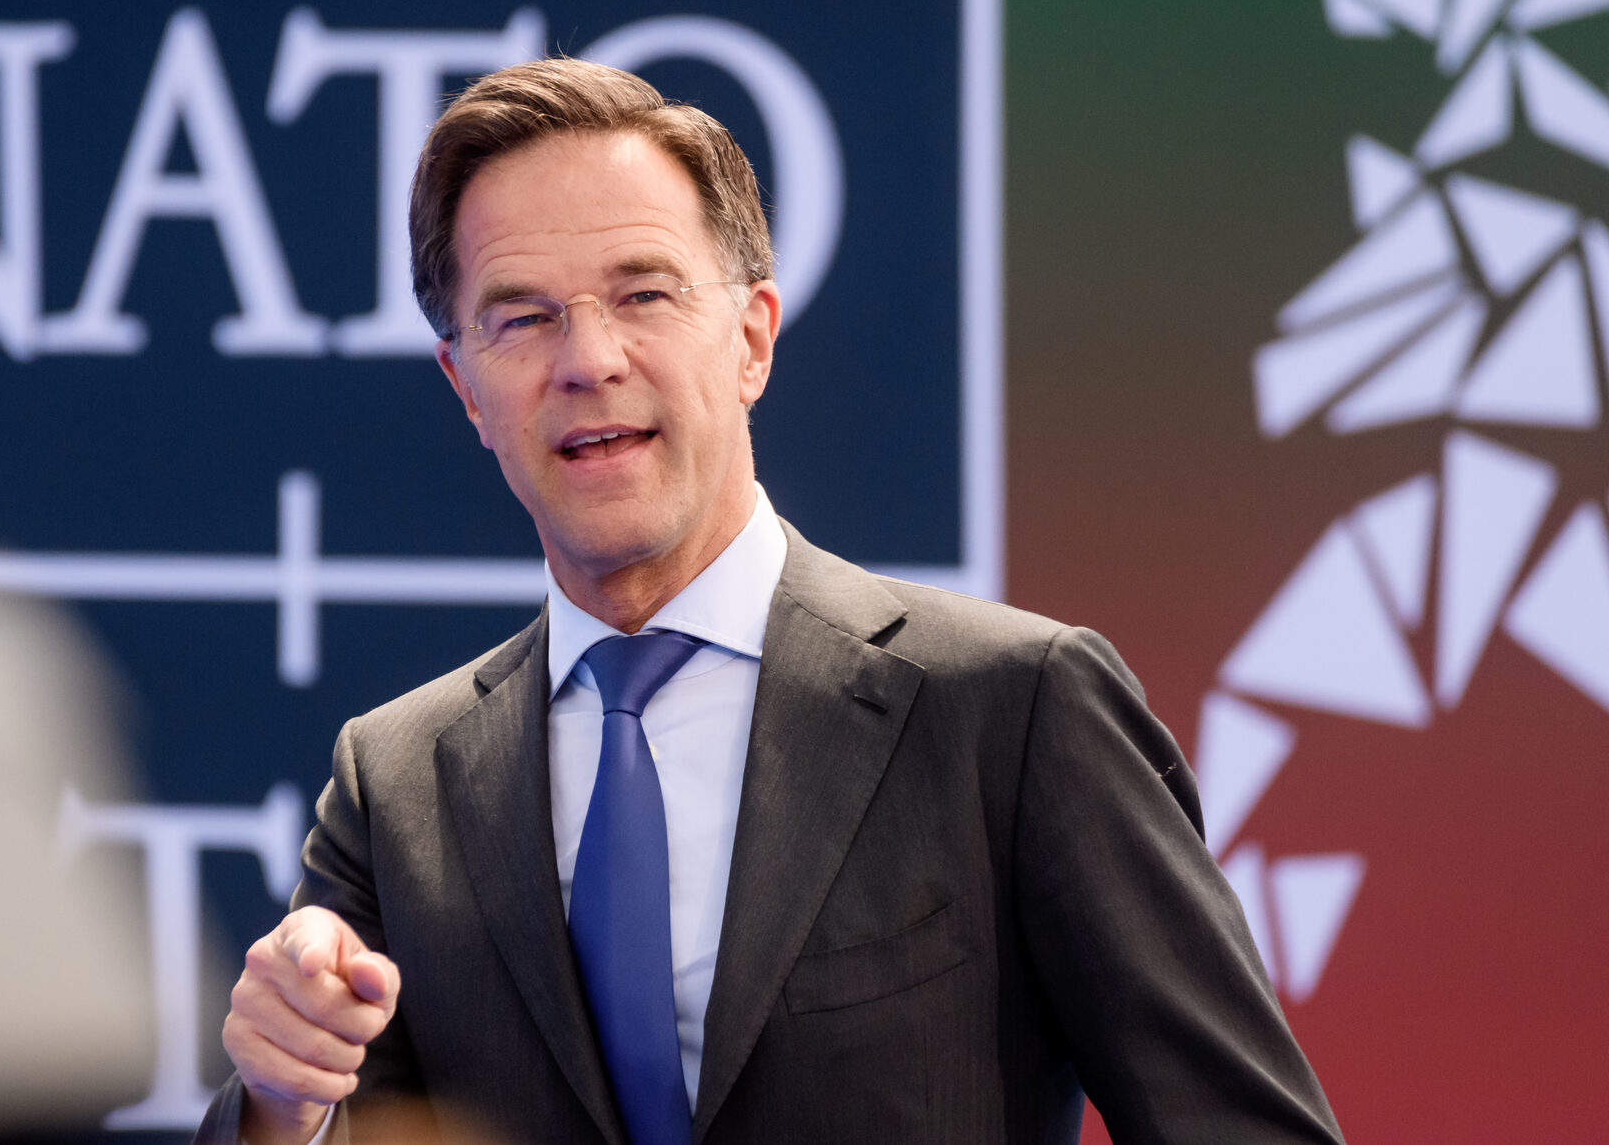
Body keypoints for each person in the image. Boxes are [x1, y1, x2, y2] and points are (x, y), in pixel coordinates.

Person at [197, 58, 1345, 1145]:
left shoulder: (1010, 709)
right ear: (464, 386)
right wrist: (278, 1106)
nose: (588, 359)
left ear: (750, 339)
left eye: (642, 292)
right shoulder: (396, 785)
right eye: (521, 316)